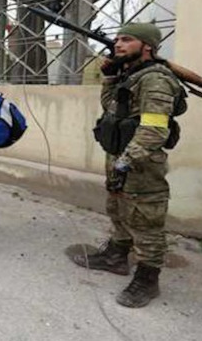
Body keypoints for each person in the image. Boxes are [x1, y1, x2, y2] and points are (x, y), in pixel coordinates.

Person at [71, 23, 185, 308]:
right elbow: (111, 107)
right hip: (120, 157)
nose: (118, 44)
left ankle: (147, 280)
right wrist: (110, 78)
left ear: (147, 46)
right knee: (118, 209)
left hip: (141, 163)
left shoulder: (155, 80)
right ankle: (115, 257)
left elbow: (154, 129)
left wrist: (126, 161)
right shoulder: (130, 74)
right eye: (117, 39)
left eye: (127, 39)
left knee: (145, 222)